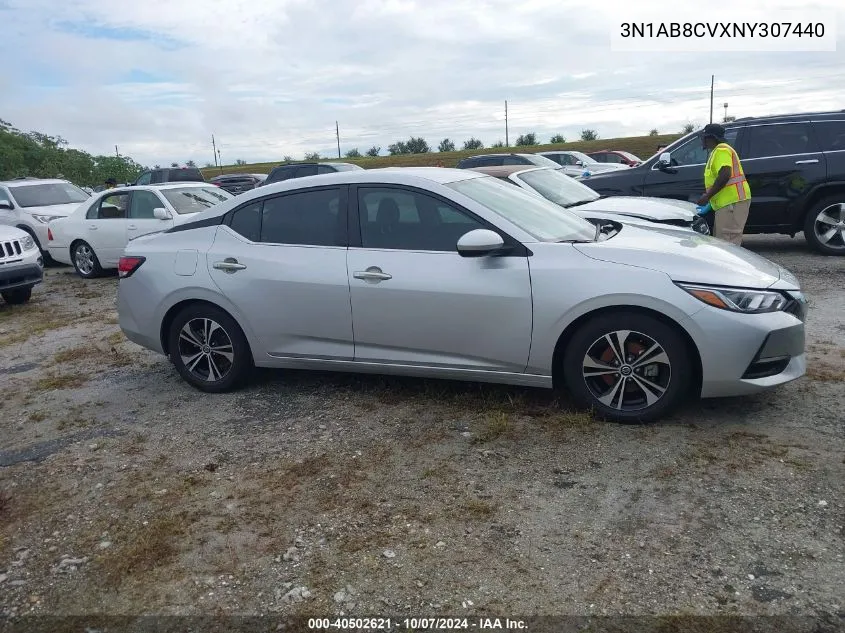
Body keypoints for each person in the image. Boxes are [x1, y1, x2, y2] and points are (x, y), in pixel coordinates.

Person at [696, 123, 751, 245]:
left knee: (728, 243)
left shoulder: (721, 150)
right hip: (728, 203)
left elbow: (725, 174)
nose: (702, 140)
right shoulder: (717, 151)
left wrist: (707, 196)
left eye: (703, 137)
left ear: (711, 138)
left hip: (732, 202)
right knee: (722, 241)